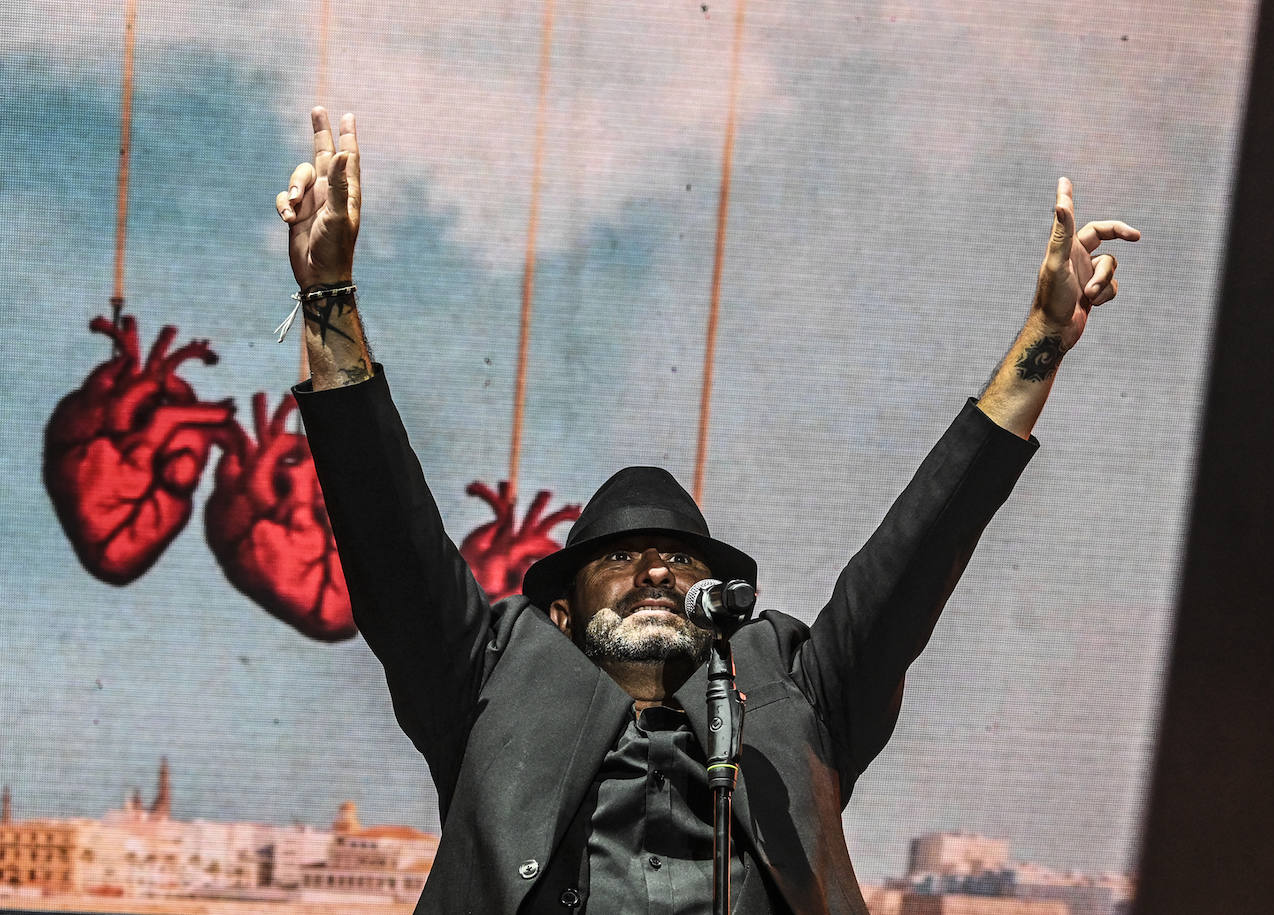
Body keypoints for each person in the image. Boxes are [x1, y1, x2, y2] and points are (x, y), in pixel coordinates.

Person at [276, 107, 1139, 914]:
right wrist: (328, 296)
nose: (656, 567)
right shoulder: (490, 683)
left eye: (683, 559)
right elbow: (386, 532)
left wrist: (1040, 342)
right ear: (564, 611)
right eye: (620, 555)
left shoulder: (793, 689)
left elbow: (921, 546)